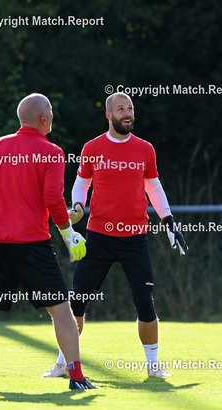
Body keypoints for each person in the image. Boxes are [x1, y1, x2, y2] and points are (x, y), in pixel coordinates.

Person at [0, 93, 98, 390]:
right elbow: (52, 198)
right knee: (61, 310)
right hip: (33, 243)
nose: (52, 116)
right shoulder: (52, 152)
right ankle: (77, 377)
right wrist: (68, 233)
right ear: (44, 118)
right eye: (50, 111)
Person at [43, 92, 188, 379]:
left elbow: (154, 187)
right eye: (121, 109)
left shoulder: (145, 149)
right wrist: (78, 205)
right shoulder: (92, 147)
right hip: (99, 236)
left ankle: (153, 365)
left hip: (135, 238)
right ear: (108, 114)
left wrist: (169, 221)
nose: (127, 113)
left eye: (130, 108)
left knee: (144, 301)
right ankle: (63, 363)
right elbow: (81, 183)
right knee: (77, 300)